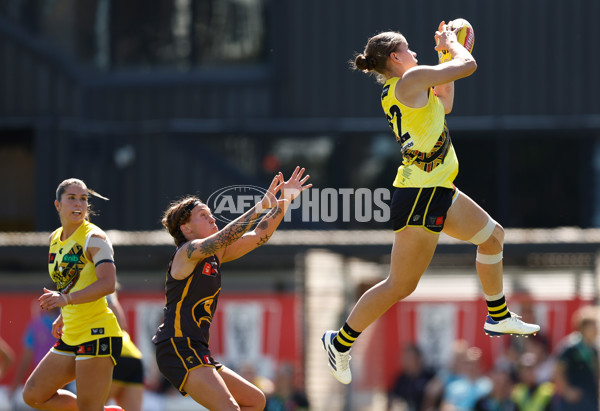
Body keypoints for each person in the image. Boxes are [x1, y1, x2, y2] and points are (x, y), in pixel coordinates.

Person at [321, 21, 540, 384]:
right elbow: (469, 66)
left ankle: (498, 315)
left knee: (492, 236)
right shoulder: (409, 80)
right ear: (395, 57)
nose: (415, 53)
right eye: (409, 49)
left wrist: (442, 52)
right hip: (421, 193)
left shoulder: (408, 84)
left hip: (435, 188)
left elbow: (446, 102)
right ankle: (340, 342)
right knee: (400, 285)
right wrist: (454, 44)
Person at [153, 167, 311, 410]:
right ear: (186, 229)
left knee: (254, 401)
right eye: (203, 215)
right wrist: (260, 206)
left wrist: (284, 201)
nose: (212, 218)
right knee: (230, 408)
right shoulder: (187, 252)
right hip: (177, 345)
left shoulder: (214, 254)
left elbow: (260, 234)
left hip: (196, 347)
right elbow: (225, 237)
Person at [21, 178, 124, 411]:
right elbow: (72, 284)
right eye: (72, 198)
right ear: (58, 205)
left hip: (98, 333)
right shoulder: (54, 238)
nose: (79, 203)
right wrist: (64, 313)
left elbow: (107, 284)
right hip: (71, 332)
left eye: (84, 199)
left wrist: (65, 300)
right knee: (33, 395)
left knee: (90, 407)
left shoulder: (95, 238)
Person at [553, 305, 598, 411]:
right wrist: (567, 391)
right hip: (573, 401)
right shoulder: (571, 346)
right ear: (583, 327)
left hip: (590, 397)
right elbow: (558, 371)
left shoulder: (594, 348)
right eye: (593, 326)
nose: (596, 329)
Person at [106, 290, 145, 411]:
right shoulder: (106, 291)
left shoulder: (89, 285)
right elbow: (121, 324)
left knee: (90, 406)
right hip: (133, 354)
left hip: (112, 354)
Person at [388, 344, 435, 411]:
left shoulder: (429, 376)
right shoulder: (401, 379)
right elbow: (393, 397)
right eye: (404, 358)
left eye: (409, 358)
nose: (405, 361)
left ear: (418, 359)